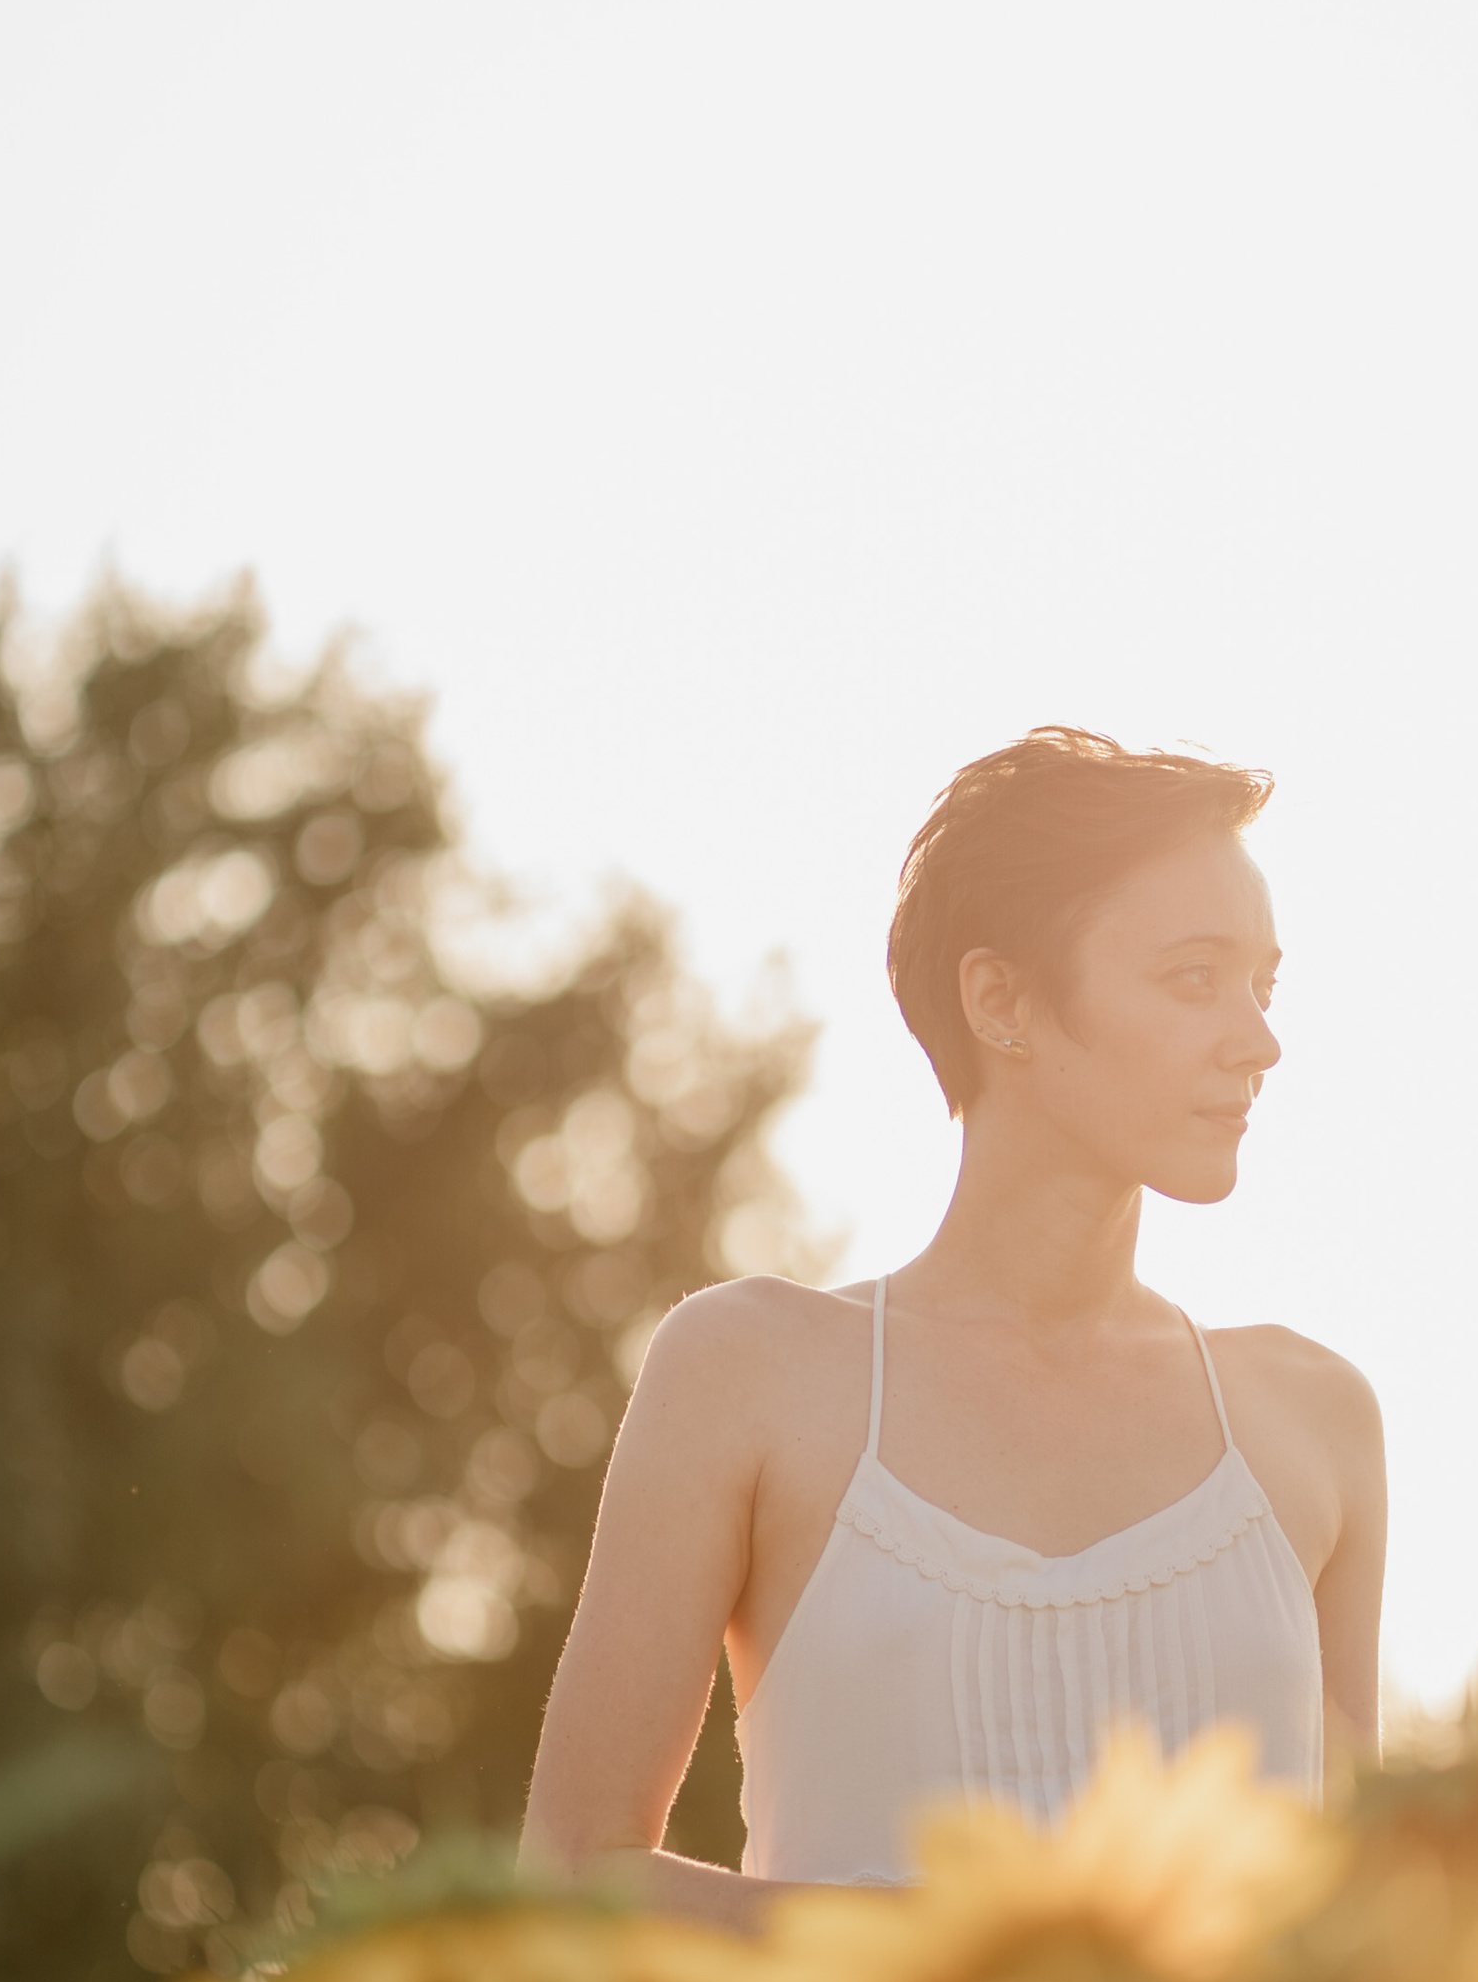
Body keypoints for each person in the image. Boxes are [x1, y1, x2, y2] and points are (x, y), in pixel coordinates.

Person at [521, 725, 1387, 1917]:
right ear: (1000, 1000)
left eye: (1263, 985)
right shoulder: (748, 1375)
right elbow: (572, 1876)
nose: (1260, 1039)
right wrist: (961, 1955)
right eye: (1196, 978)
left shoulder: (1316, 1419)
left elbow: (1366, 1920)